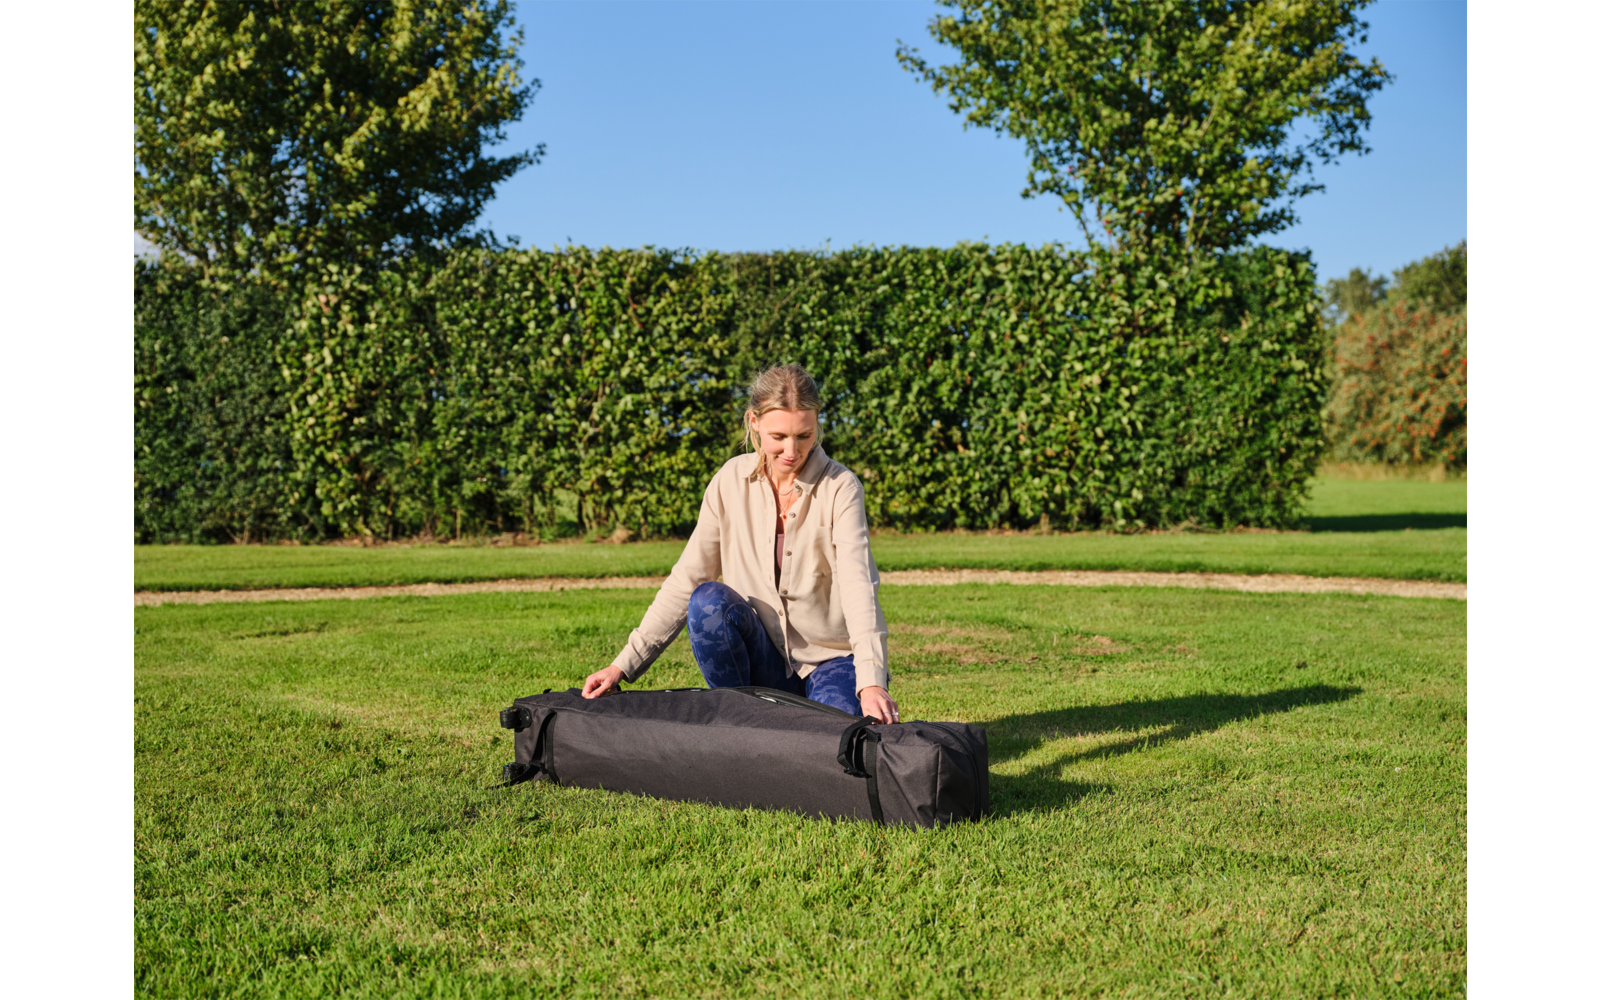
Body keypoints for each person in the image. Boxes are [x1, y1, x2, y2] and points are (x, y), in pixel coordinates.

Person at [581, 364, 900, 724]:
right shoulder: (728, 481)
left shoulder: (842, 487)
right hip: (764, 661)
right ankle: (739, 721)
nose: (792, 450)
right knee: (707, 602)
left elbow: (859, 586)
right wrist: (622, 665)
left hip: (833, 661)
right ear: (754, 422)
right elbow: (687, 579)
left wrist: (871, 682)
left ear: (817, 425)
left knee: (835, 734)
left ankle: (787, 722)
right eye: (779, 436)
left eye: (804, 435)